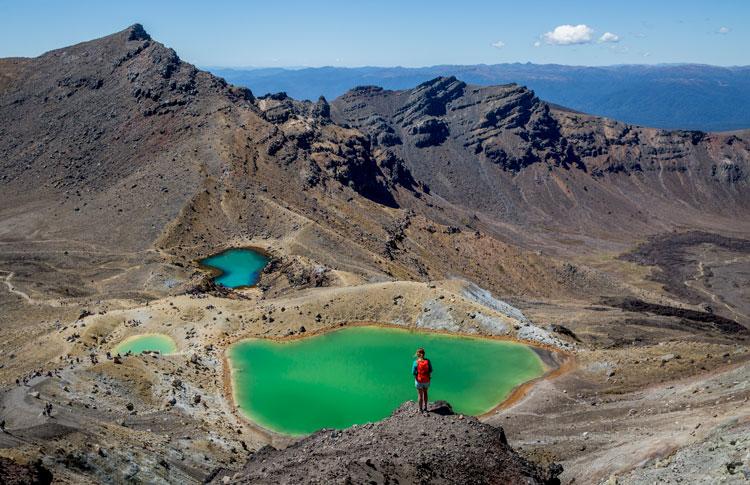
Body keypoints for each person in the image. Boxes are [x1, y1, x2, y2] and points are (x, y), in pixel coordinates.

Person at [412, 347, 432, 413]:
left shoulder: (415, 362)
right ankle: (425, 407)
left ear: (417, 354)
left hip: (419, 381)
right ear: (424, 354)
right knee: (425, 393)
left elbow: (413, 372)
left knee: (420, 395)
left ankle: (420, 409)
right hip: (426, 380)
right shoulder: (428, 361)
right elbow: (430, 370)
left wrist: (416, 378)